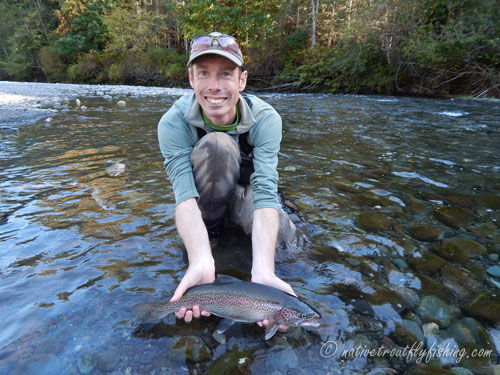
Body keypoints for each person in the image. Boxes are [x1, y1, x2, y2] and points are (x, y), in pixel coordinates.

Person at [157, 32, 306, 330]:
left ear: (242, 80)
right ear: (191, 78)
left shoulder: (266, 119)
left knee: (292, 245)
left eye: (225, 74)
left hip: (245, 194)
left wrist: (264, 272)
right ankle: (209, 236)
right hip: (203, 204)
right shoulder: (172, 123)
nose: (214, 86)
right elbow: (184, 198)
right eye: (204, 74)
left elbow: (264, 191)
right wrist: (200, 259)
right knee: (218, 145)